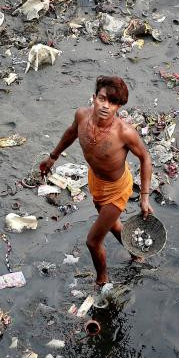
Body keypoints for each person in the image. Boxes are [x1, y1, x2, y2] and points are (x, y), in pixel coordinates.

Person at [39, 76, 153, 286]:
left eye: (113, 102)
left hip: (117, 189)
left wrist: (144, 197)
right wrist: (53, 157)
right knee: (112, 224)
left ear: (118, 107)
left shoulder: (124, 133)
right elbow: (71, 132)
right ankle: (137, 254)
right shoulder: (82, 116)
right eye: (102, 99)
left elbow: (145, 158)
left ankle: (102, 281)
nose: (106, 106)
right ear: (94, 98)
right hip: (95, 180)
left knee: (92, 241)